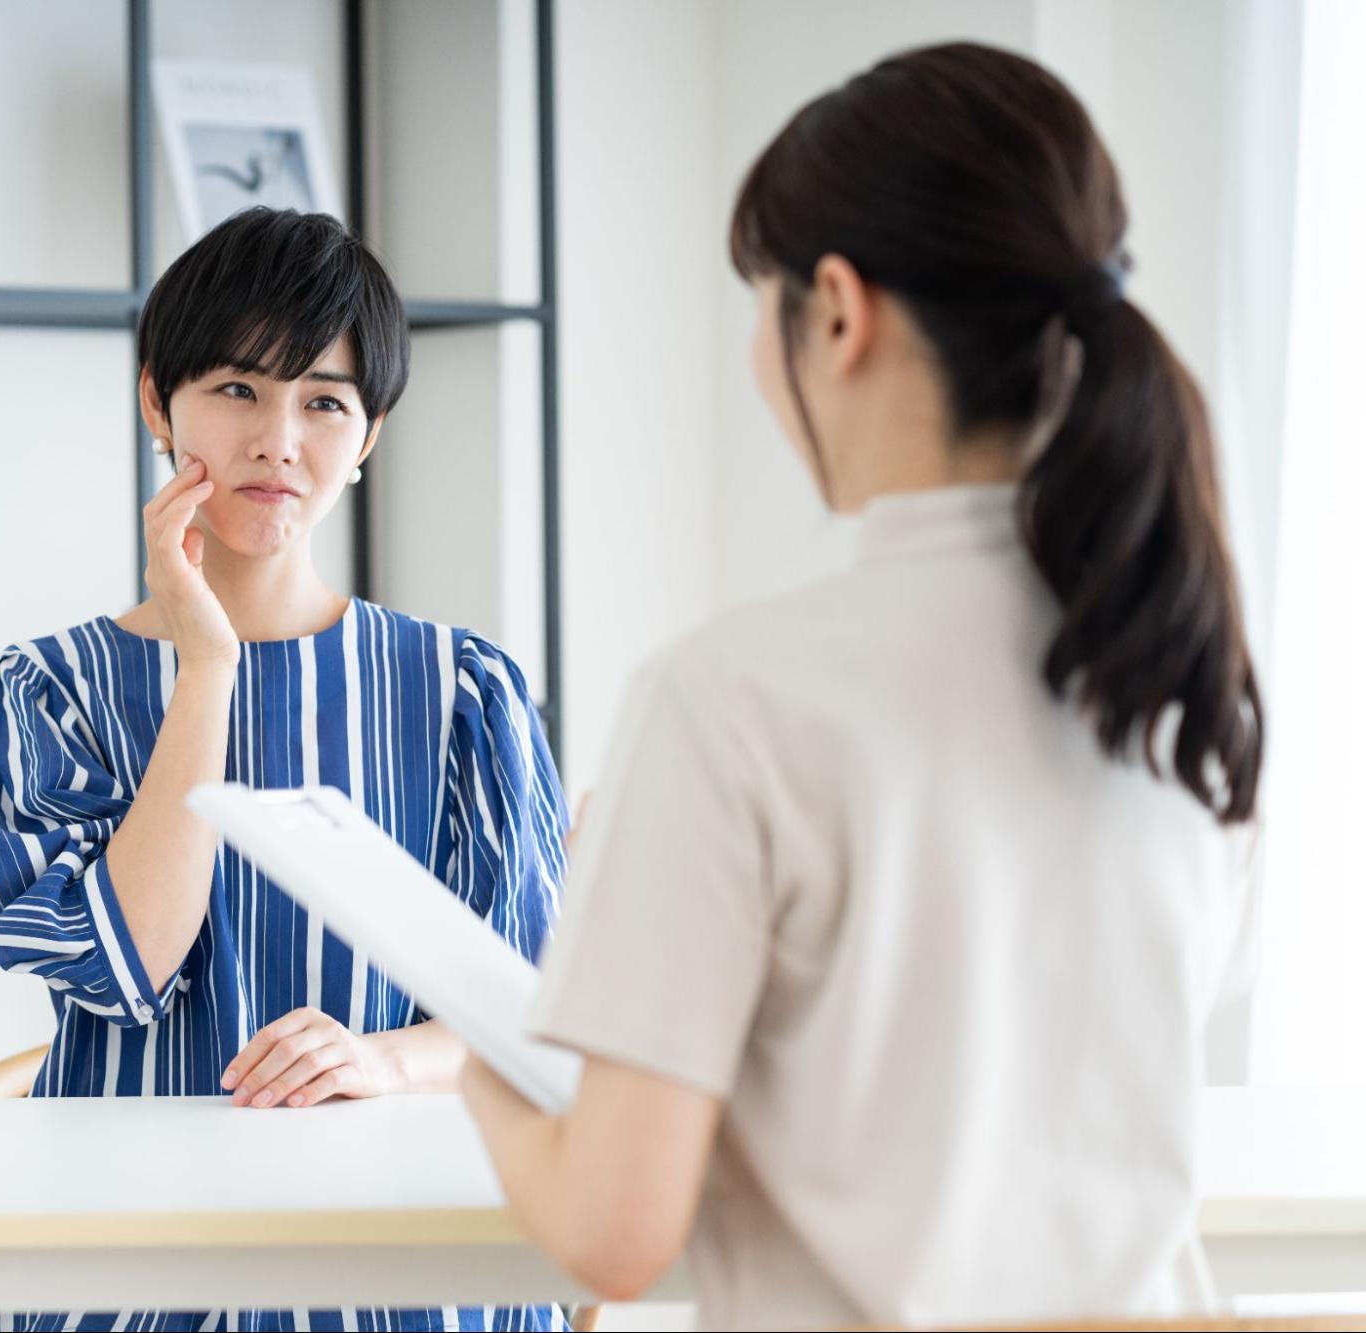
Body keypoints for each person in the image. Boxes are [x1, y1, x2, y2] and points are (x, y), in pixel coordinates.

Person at [462, 42, 1262, 1331]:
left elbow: (614, 1233)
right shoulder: (1177, 678)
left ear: (835, 310)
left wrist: (484, 1072)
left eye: (760, 304)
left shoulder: (726, 701)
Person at [0, 207, 570, 1333]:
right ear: (155, 401)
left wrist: (380, 1059)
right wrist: (208, 669)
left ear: (367, 435)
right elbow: (122, 967)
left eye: (323, 401)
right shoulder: (37, 692)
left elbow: (535, 1011)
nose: (278, 439)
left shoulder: (464, 690)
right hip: (115, 1277)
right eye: (237, 390)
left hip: (393, 1278)